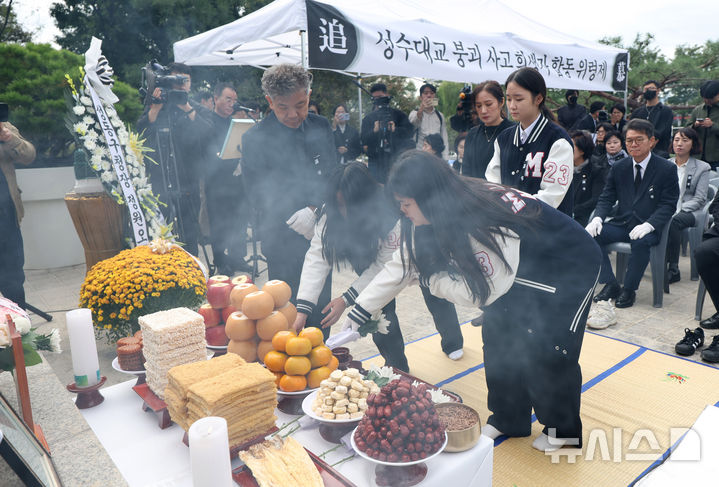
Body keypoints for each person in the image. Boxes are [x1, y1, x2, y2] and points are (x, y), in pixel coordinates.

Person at [343, 150, 601, 451]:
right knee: (498, 338)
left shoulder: (481, 217)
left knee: (548, 349)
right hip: (517, 272)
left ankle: (564, 432)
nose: (402, 211)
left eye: (406, 203)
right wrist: (359, 312)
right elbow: (402, 265)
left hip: (567, 267)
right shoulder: (434, 211)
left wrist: (431, 280)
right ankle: (508, 418)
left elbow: (483, 293)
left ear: (427, 196)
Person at [242, 64, 337, 328]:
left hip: (319, 232)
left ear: (308, 95)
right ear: (270, 102)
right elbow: (256, 193)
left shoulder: (321, 126)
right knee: (287, 312)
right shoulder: (255, 138)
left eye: (301, 104)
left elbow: (332, 175)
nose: (294, 114)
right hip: (280, 236)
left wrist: (315, 209)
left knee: (320, 306)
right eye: (283, 107)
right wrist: (294, 214)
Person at [587, 119, 679, 308]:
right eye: (629, 141)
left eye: (639, 140)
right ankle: (610, 284)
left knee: (641, 241)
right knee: (591, 235)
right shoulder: (619, 167)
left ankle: (629, 290)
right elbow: (607, 197)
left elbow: (669, 204)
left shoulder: (666, 168)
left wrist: (650, 225)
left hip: (649, 226)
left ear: (652, 141)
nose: (633, 145)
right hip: (623, 223)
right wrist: (597, 218)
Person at [136, 62, 210, 256]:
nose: (181, 85)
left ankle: (192, 269)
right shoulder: (158, 104)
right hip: (161, 178)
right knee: (162, 232)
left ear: (190, 84)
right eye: (176, 81)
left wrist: (186, 106)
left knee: (190, 230)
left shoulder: (194, 107)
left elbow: (209, 133)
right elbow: (141, 133)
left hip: (189, 178)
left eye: (185, 81)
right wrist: (155, 108)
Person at [486, 67, 575, 216]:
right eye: (508, 99)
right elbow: (493, 184)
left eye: (519, 99)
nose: (512, 105)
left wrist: (516, 212)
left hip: (549, 231)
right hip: (511, 225)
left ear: (538, 99)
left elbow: (551, 196)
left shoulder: (558, 140)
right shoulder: (503, 139)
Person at [202, 83, 250, 275]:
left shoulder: (234, 122)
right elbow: (209, 154)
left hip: (237, 180)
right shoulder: (208, 123)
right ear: (216, 98)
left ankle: (238, 258)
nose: (232, 104)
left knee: (239, 220)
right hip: (217, 181)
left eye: (234, 100)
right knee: (219, 223)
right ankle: (221, 261)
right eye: (227, 99)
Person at [666, 128, 711, 284]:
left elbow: (700, 199)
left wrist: (678, 209)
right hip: (668, 207)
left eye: (685, 140)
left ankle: (673, 268)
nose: (680, 144)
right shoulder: (666, 164)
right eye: (677, 139)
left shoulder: (702, 167)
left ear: (693, 144)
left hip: (691, 211)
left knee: (674, 221)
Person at [0, 115, 35, 308]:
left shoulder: (3, 127)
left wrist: (8, 138)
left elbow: (29, 155)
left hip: (6, 216)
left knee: (13, 276)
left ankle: (19, 326)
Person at [361, 83, 414, 183]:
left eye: (380, 97)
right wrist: (374, 131)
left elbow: (409, 132)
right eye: (375, 98)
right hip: (375, 161)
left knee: (397, 187)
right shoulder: (368, 119)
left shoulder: (399, 114)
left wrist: (395, 130)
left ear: (386, 95)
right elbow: (363, 139)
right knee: (377, 190)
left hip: (396, 159)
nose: (378, 100)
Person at [462, 81, 515, 179]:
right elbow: (466, 172)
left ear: (501, 102)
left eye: (488, 104)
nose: (483, 111)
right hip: (476, 191)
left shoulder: (514, 132)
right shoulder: (472, 134)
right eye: (478, 106)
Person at [571, 130, 608, 227]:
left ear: (582, 150)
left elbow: (596, 199)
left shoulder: (596, 171)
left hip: (583, 218)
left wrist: (574, 210)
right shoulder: (564, 169)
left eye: (572, 146)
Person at [629, 80, 674, 159]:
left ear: (658, 90)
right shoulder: (637, 112)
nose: (647, 91)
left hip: (659, 153)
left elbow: (663, 131)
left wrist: (649, 142)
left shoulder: (665, 111)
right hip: (638, 152)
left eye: (651, 88)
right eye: (645, 89)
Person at [409, 83, 449, 159]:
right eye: (426, 93)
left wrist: (445, 158)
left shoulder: (440, 116)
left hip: (436, 156)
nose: (429, 95)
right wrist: (421, 109)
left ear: (435, 96)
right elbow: (412, 127)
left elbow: (444, 137)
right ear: (420, 98)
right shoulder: (414, 113)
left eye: (432, 93)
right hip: (419, 155)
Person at [687, 80, 719, 170]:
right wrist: (694, 126)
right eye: (704, 98)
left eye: (710, 98)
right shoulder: (698, 110)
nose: (706, 101)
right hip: (697, 157)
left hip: (716, 159)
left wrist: (713, 125)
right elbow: (686, 129)